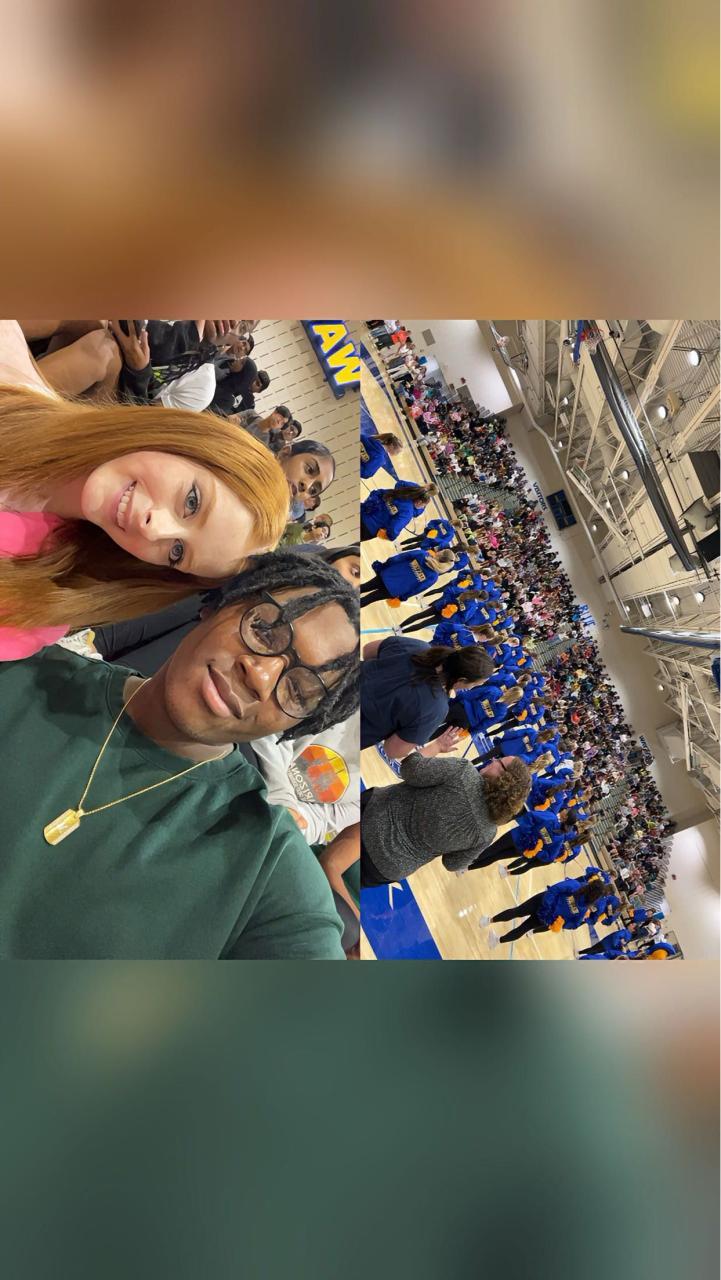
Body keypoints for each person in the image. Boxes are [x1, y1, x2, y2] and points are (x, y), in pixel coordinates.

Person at [0, 552, 360, 958]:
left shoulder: (262, 866)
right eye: (265, 630)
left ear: (300, 724)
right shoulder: (21, 671)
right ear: (221, 602)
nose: (261, 676)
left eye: (297, 691)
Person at [0, 360, 289, 660]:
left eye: (177, 552)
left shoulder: (36, 608)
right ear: (191, 444)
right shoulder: (9, 371)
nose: (154, 529)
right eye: (191, 502)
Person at [360, 753, 531, 885]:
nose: (493, 760)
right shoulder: (488, 833)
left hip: (370, 820)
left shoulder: (463, 772)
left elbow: (409, 769)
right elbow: (452, 864)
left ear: (504, 778)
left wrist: (437, 747)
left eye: (498, 761)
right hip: (388, 868)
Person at [361, 638, 493, 759]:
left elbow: (368, 650)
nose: (472, 688)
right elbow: (392, 750)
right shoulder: (435, 709)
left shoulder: (417, 646)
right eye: (475, 684)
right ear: (462, 680)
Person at [481, 876, 607, 947]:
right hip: (546, 918)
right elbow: (574, 924)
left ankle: (488, 921)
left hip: (541, 903)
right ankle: (497, 941)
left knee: (517, 911)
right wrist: (561, 924)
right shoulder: (584, 909)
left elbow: (555, 889)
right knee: (523, 929)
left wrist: (546, 905)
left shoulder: (575, 885)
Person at [359, 547, 456, 606]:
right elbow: (417, 590)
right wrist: (403, 597)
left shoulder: (422, 554)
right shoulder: (433, 577)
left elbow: (397, 558)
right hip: (394, 590)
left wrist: (383, 566)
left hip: (387, 575)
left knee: (363, 587)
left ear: (440, 553)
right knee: (370, 599)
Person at [360, 483, 437, 541]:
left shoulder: (401, 492)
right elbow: (393, 530)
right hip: (369, 528)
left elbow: (377, 492)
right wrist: (389, 536)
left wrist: (367, 505)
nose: (422, 508)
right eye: (423, 506)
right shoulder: (408, 512)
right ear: (419, 502)